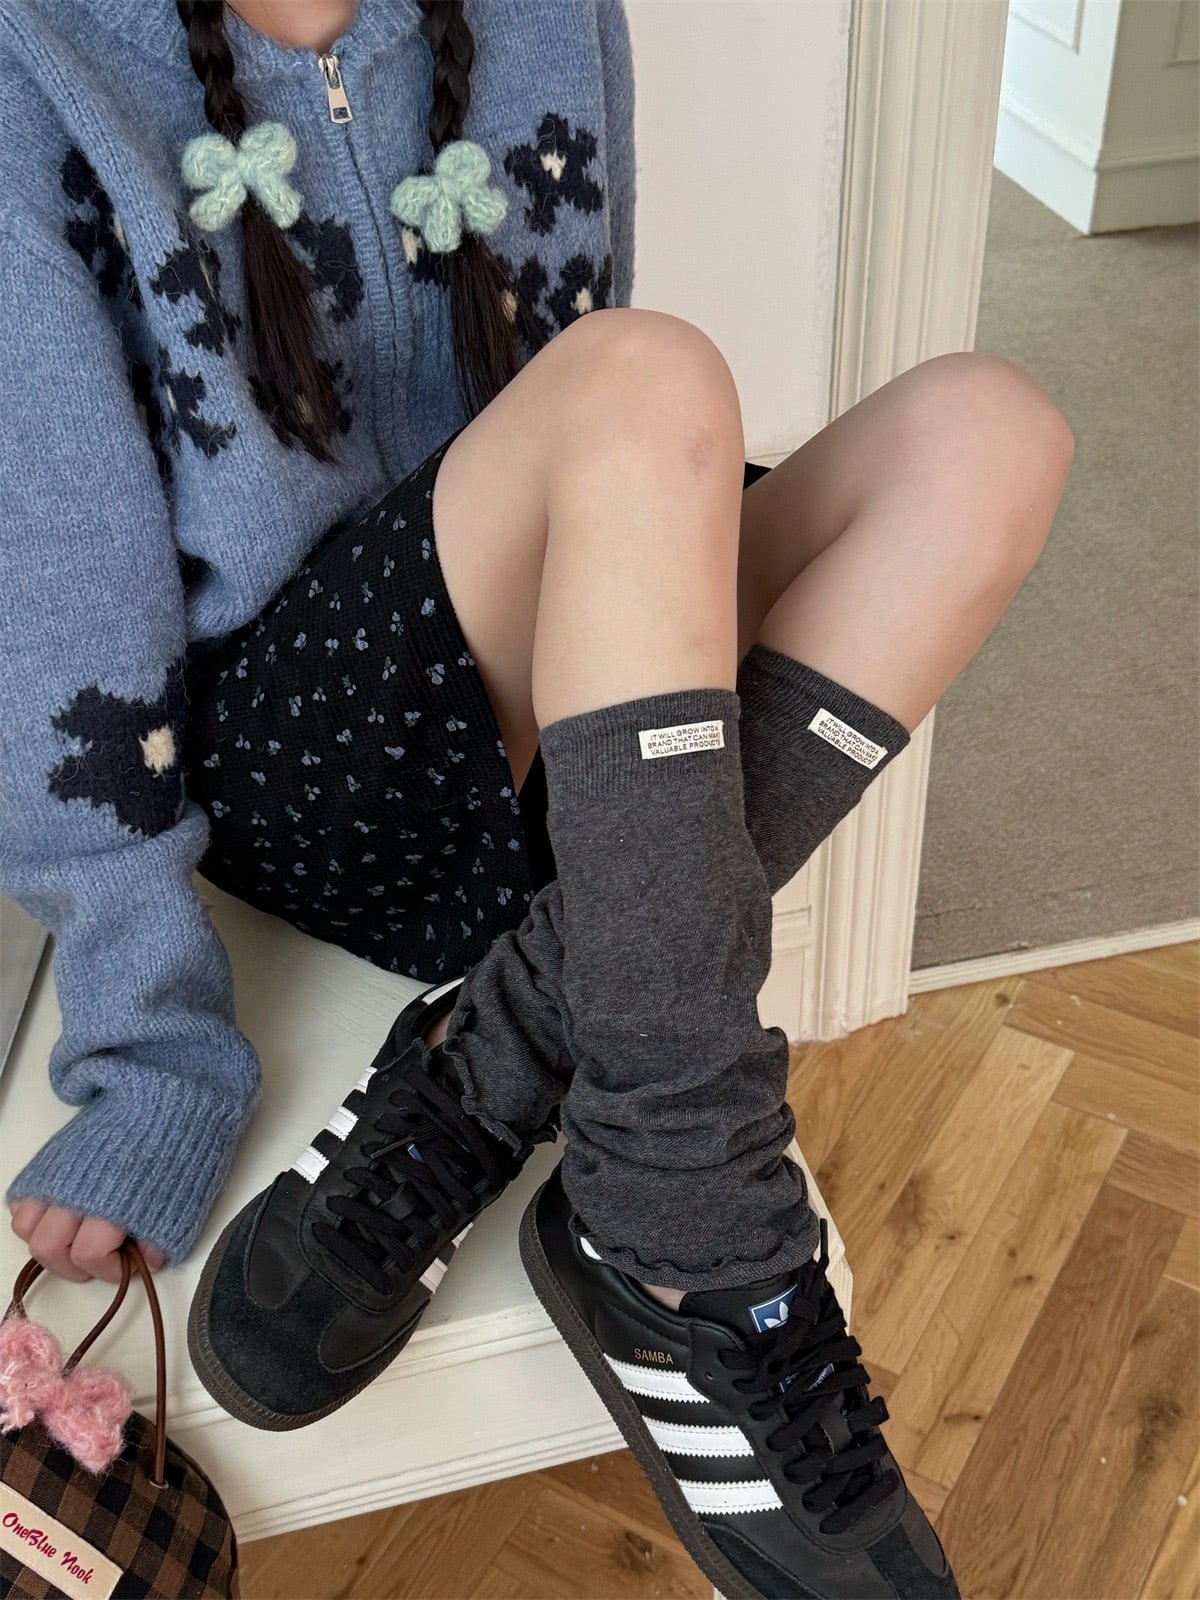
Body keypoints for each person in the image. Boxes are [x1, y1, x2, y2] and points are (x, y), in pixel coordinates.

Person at [0, 0, 1074, 1594]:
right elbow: (59, 605)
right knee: (643, 375)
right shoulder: (39, 56)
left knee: (991, 439)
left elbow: (613, 474)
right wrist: (150, 1053)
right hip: (300, 770)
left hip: (540, 735)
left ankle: (484, 1066)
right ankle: (689, 1230)